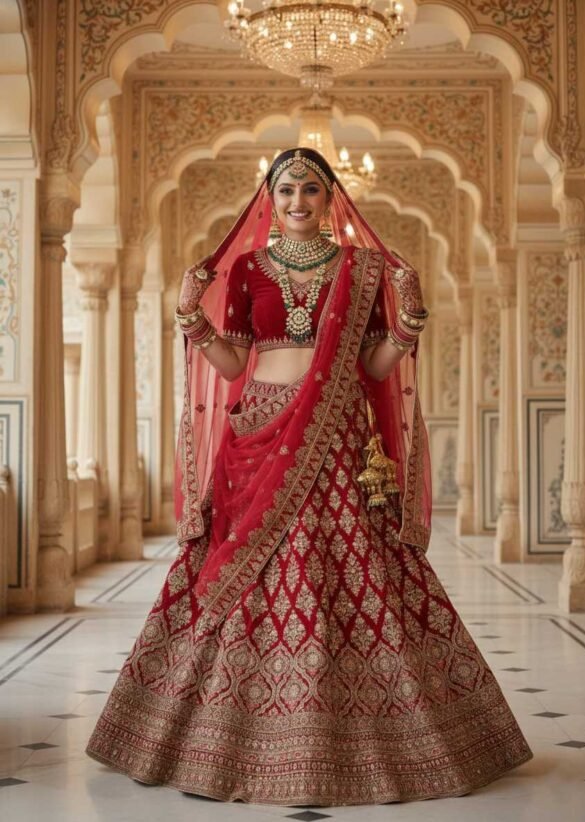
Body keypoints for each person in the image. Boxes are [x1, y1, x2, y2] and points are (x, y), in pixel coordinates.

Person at [86, 147, 532, 805]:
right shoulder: (247, 269)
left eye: (310, 190)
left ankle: (371, 731)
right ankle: (220, 732)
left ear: (330, 199)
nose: (298, 202)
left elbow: (374, 368)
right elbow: (233, 365)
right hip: (257, 432)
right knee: (244, 567)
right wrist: (191, 317)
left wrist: (409, 320)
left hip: (337, 431)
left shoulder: (363, 269)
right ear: (271, 199)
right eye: (287, 190)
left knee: (348, 564)